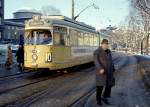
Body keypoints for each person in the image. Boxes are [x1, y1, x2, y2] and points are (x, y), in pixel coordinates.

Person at [93, 39, 115, 105]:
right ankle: (98, 100)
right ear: (101, 44)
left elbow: (111, 61)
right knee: (100, 86)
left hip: (109, 71)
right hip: (101, 72)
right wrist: (100, 68)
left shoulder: (109, 51)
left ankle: (105, 97)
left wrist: (113, 67)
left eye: (107, 44)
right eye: (104, 44)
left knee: (109, 85)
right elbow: (96, 61)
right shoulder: (97, 52)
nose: (106, 45)